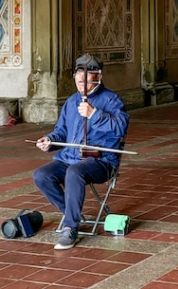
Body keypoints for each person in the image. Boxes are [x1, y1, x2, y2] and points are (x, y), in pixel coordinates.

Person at [34, 53, 130, 250]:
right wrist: (49, 140)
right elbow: (61, 131)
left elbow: (120, 127)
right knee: (41, 175)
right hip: (69, 157)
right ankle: (70, 212)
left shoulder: (111, 100)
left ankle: (71, 227)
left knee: (74, 172)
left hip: (101, 161)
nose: (82, 83)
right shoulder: (71, 102)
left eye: (86, 79)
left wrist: (94, 114)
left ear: (99, 77)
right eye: (79, 79)